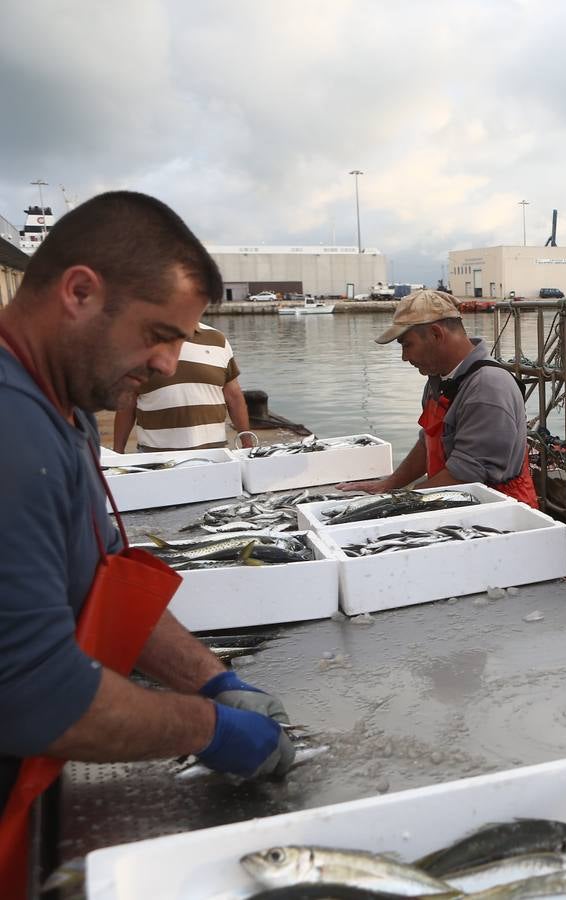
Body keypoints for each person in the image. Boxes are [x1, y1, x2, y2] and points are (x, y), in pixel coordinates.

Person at [0, 192, 295, 895]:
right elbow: (36, 694)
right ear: (79, 291)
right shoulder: (12, 434)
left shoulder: (60, 406)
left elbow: (102, 583)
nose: (167, 364)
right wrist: (209, 728)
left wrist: (214, 678)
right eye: (158, 333)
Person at [338, 289, 538, 506]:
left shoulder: (487, 387)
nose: (405, 358)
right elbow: (428, 442)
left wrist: (395, 503)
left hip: (496, 512)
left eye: (407, 345)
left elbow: (468, 473)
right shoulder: (439, 379)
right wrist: (390, 484)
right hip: (451, 502)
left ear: (436, 334)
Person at [110, 322, 257, 452]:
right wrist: (117, 453)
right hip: (155, 457)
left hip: (214, 453)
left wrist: (247, 441)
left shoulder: (218, 340)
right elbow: (127, 403)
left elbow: (234, 397)